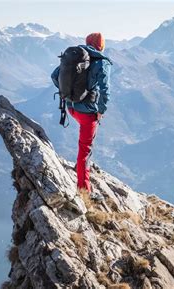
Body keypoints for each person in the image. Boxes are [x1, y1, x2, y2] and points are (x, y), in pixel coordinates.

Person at [51, 32, 112, 201]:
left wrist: (68, 95)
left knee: (84, 147)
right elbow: (105, 90)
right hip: (88, 113)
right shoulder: (101, 62)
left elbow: (54, 76)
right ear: (102, 46)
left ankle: (80, 169)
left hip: (70, 108)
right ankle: (84, 191)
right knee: (85, 149)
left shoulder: (73, 56)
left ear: (87, 42)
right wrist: (101, 110)